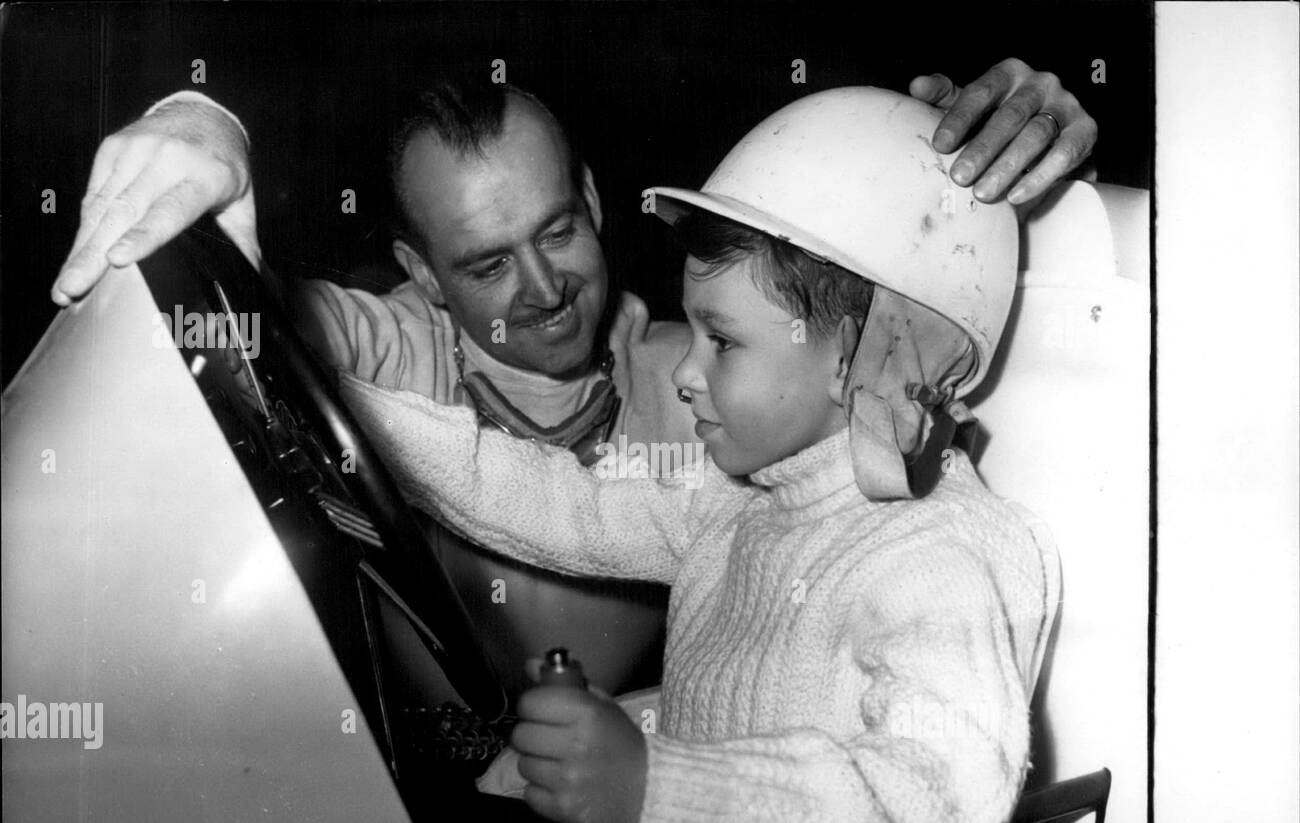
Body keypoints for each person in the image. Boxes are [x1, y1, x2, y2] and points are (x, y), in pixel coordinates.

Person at [47, 61, 1092, 698]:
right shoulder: (390, 354)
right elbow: (259, 318)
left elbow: (891, 366)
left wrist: (987, 168)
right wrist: (203, 127)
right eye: (488, 265)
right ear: (420, 275)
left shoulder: (705, 372)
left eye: (557, 231)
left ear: (593, 198)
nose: (546, 290)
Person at [333, 86, 1059, 823]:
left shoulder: (937, 555)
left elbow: (942, 799)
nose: (684, 371)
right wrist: (350, 415)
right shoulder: (732, 496)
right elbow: (553, 498)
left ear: (865, 357)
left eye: (722, 342)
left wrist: (656, 789)